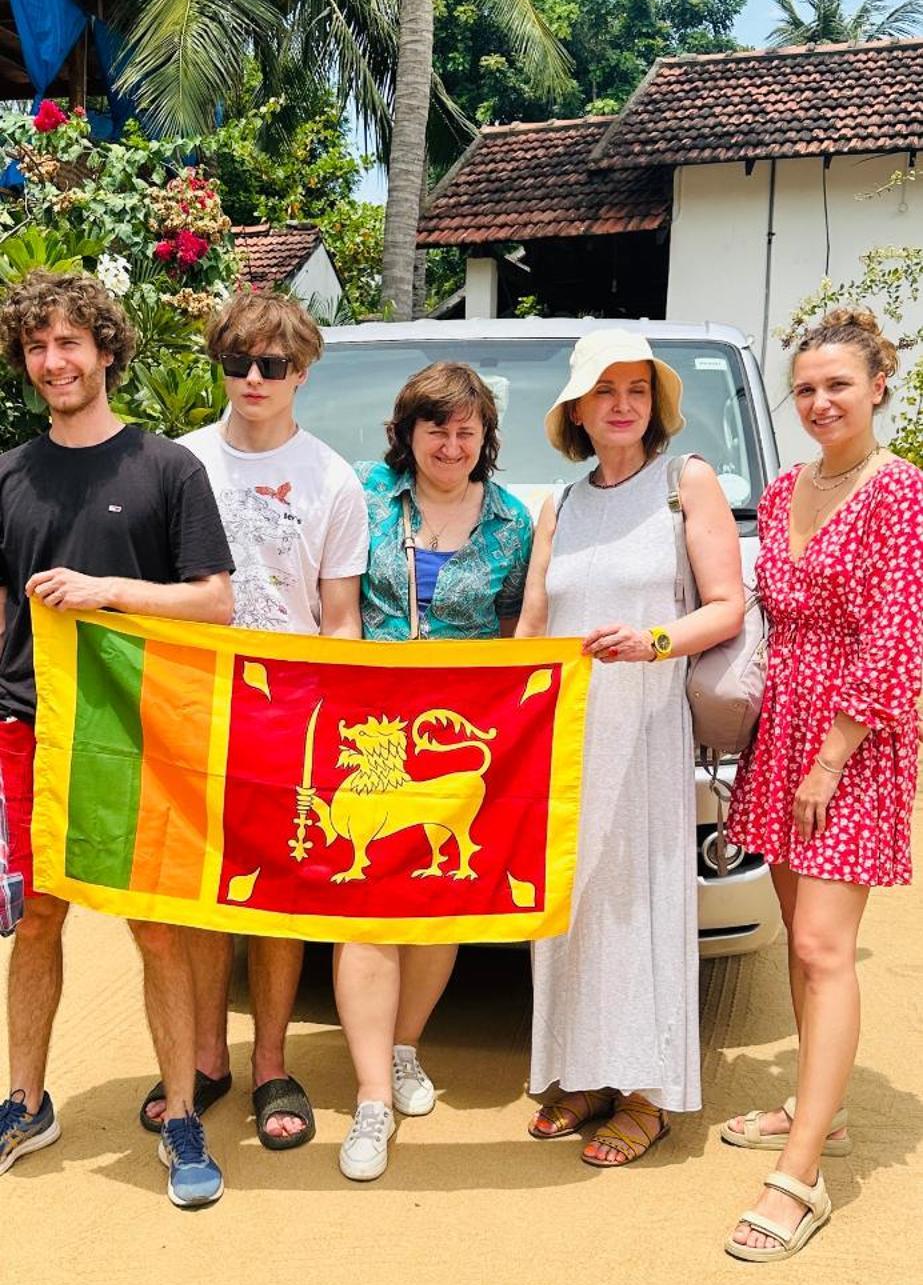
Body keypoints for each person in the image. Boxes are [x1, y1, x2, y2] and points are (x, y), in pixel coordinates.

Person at [0, 271, 234, 1208]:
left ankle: (180, 1113)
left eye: (69, 343)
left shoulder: (168, 467)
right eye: (36, 347)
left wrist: (109, 593)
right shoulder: (8, 473)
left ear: (105, 349)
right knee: (38, 919)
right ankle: (25, 1101)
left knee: (157, 926)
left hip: (140, 734)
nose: (54, 361)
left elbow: (216, 601)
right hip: (29, 729)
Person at [138, 289, 368, 1152]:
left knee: (281, 894)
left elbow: (340, 617)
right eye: (237, 363)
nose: (253, 378)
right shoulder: (176, 462)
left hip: (292, 709)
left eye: (272, 364)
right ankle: (205, 1056)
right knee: (197, 890)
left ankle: (271, 1060)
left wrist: (333, 713)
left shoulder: (333, 477)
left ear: (301, 372)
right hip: (193, 697)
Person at [722, 307, 923, 1261]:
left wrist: (831, 754)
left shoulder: (898, 495)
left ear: (878, 384)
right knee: (803, 951)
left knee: (821, 947)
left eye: (837, 384)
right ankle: (820, 1108)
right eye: (803, 387)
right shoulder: (779, 487)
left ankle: (800, 1178)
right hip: (782, 731)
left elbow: (895, 640)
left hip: (853, 736)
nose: (818, 401)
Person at [517, 328, 744, 1166]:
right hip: (567, 735)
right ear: (576, 407)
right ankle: (583, 1072)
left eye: (636, 390)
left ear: (655, 405)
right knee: (568, 912)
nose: (620, 405)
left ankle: (646, 1094)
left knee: (637, 909)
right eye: (603, 390)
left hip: (644, 725)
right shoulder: (561, 505)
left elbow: (727, 605)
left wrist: (652, 641)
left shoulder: (686, 484)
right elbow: (534, 623)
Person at [333, 360, 533, 1181]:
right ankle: (372, 1097)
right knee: (368, 900)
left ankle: (406, 1044)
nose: (449, 444)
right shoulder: (365, 498)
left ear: (484, 437)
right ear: (405, 433)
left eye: (465, 430)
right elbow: (340, 609)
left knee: (441, 900)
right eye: (434, 428)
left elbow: (521, 626)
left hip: (463, 735)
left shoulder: (516, 521)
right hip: (375, 726)